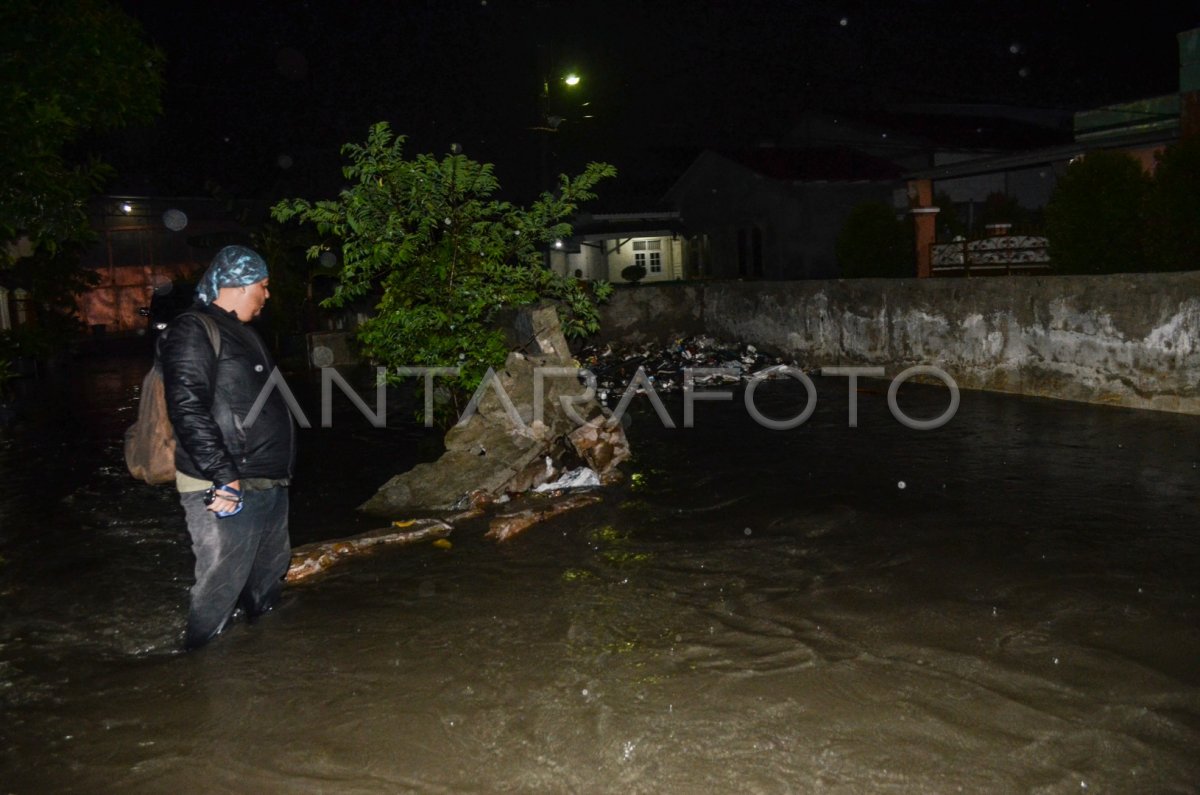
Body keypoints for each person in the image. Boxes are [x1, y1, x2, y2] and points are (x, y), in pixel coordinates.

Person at [158, 245, 296, 650]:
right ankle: (198, 670)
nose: (267, 296)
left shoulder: (246, 332)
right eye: (263, 286)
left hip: (267, 479)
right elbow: (186, 408)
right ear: (237, 285)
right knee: (222, 584)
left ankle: (262, 664)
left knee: (267, 582)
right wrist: (224, 476)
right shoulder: (193, 329)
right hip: (225, 484)